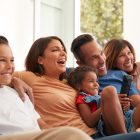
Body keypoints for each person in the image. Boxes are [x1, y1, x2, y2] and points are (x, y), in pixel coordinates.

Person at [0, 36, 94, 140]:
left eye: (12, 60)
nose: (10, 66)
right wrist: (14, 80)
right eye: (2, 60)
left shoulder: (19, 94)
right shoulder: (31, 78)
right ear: (40, 59)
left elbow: (42, 124)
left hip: (86, 132)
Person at [71, 34, 140, 132]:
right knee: (109, 91)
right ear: (80, 63)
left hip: (130, 118)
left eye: (101, 53)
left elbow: (136, 102)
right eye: (94, 57)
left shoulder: (119, 74)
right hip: (109, 126)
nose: (102, 60)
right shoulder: (78, 80)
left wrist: (126, 103)